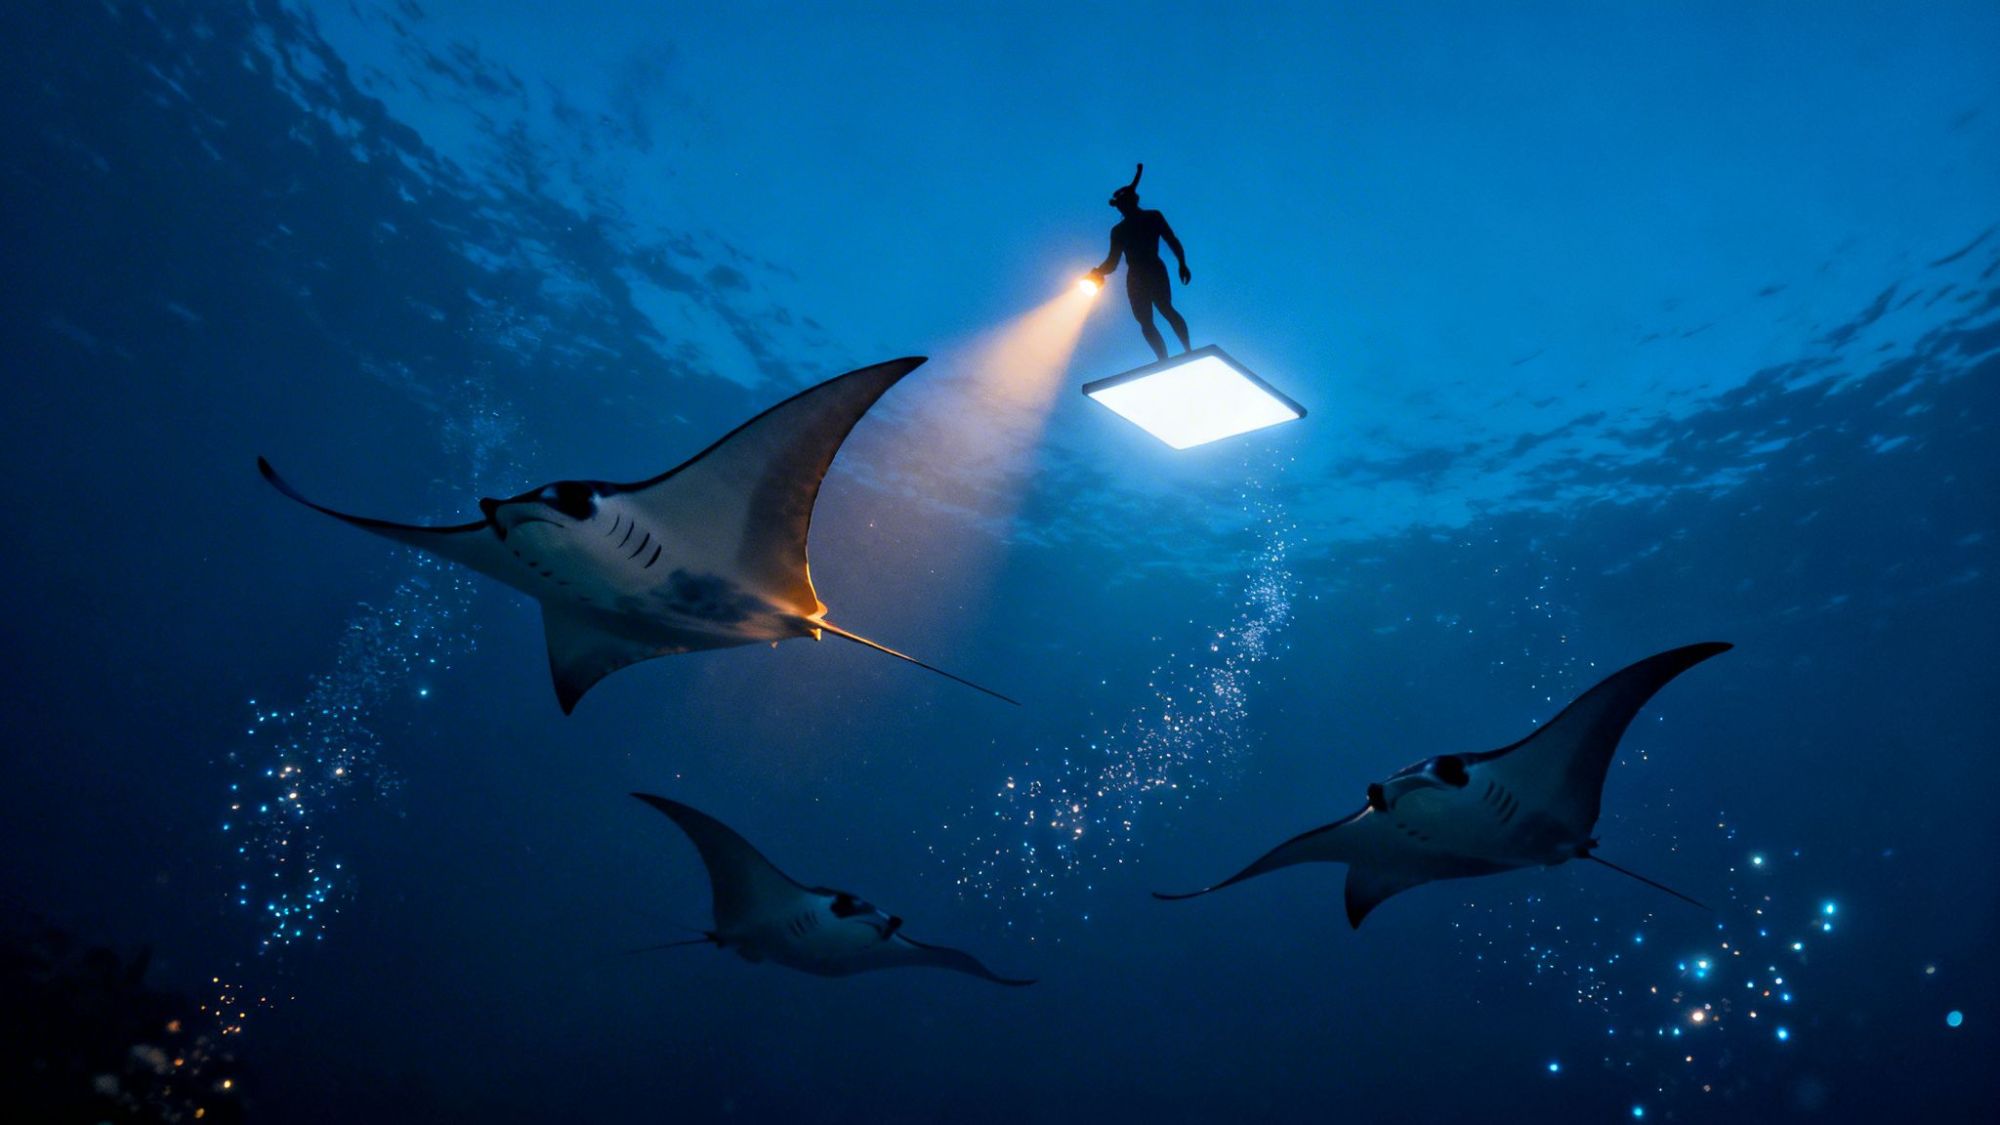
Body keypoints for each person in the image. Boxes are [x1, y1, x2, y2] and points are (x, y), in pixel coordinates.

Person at [1085, 163, 1192, 361]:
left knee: (1165, 309)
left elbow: (1171, 239)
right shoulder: (1119, 231)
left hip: (1153, 269)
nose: (1122, 209)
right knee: (1145, 321)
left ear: (1131, 202)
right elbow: (1112, 262)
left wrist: (1182, 262)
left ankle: (1188, 351)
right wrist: (1098, 272)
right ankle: (1163, 360)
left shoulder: (1152, 217)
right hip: (1135, 275)